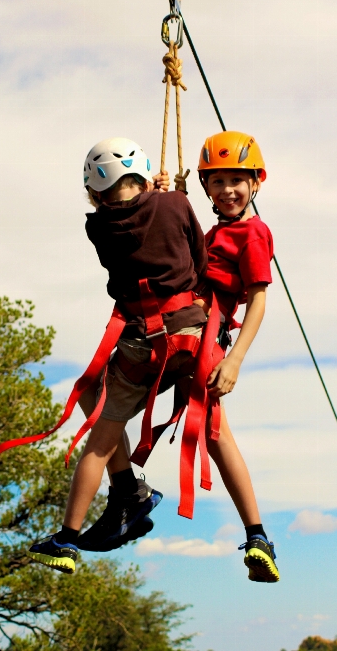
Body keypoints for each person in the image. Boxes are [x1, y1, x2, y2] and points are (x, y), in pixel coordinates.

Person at [91, 130, 280, 583]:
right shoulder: (216, 232)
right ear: (205, 188)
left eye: (237, 180)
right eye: (216, 182)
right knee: (101, 400)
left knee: (214, 435)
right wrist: (154, 197)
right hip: (180, 334)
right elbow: (175, 246)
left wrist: (233, 362)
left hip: (203, 343)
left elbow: (257, 300)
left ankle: (255, 536)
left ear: (257, 182)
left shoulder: (253, 233)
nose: (227, 190)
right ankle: (127, 495)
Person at [28, 137, 209, 574]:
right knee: (91, 391)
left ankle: (70, 536)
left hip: (143, 344)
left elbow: (136, 217)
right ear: (144, 176)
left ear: (95, 193)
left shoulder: (98, 227)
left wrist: (158, 193)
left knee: (100, 431)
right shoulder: (174, 205)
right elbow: (198, 259)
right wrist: (168, 195)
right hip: (192, 335)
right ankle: (128, 489)